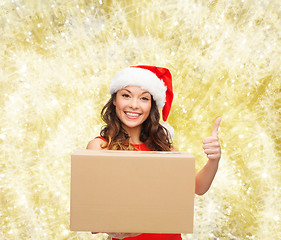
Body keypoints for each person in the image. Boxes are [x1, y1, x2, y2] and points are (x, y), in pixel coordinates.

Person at [87, 65, 222, 240]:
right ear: (114, 100)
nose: (134, 105)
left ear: (152, 105)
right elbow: (92, 206)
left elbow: (198, 187)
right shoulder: (99, 147)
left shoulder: (164, 148)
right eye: (126, 95)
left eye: (144, 98)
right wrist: (113, 227)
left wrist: (214, 159)